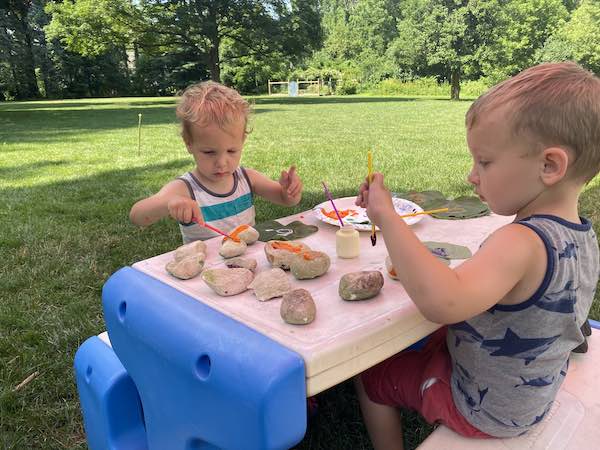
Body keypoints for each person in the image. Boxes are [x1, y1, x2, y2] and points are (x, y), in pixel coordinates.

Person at [354, 61, 600, 449]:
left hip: (485, 409)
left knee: (372, 377)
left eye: (485, 162)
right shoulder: (582, 234)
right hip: (532, 394)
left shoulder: (520, 242)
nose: (472, 175)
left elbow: (444, 302)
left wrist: (386, 216)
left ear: (549, 165)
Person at [130, 81, 303, 242]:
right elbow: (137, 216)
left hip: (247, 264)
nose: (222, 162)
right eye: (209, 152)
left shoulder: (247, 178)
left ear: (242, 141)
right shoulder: (185, 188)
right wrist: (168, 203)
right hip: (205, 269)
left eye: (231, 151)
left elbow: (284, 200)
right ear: (189, 144)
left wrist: (290, 192)